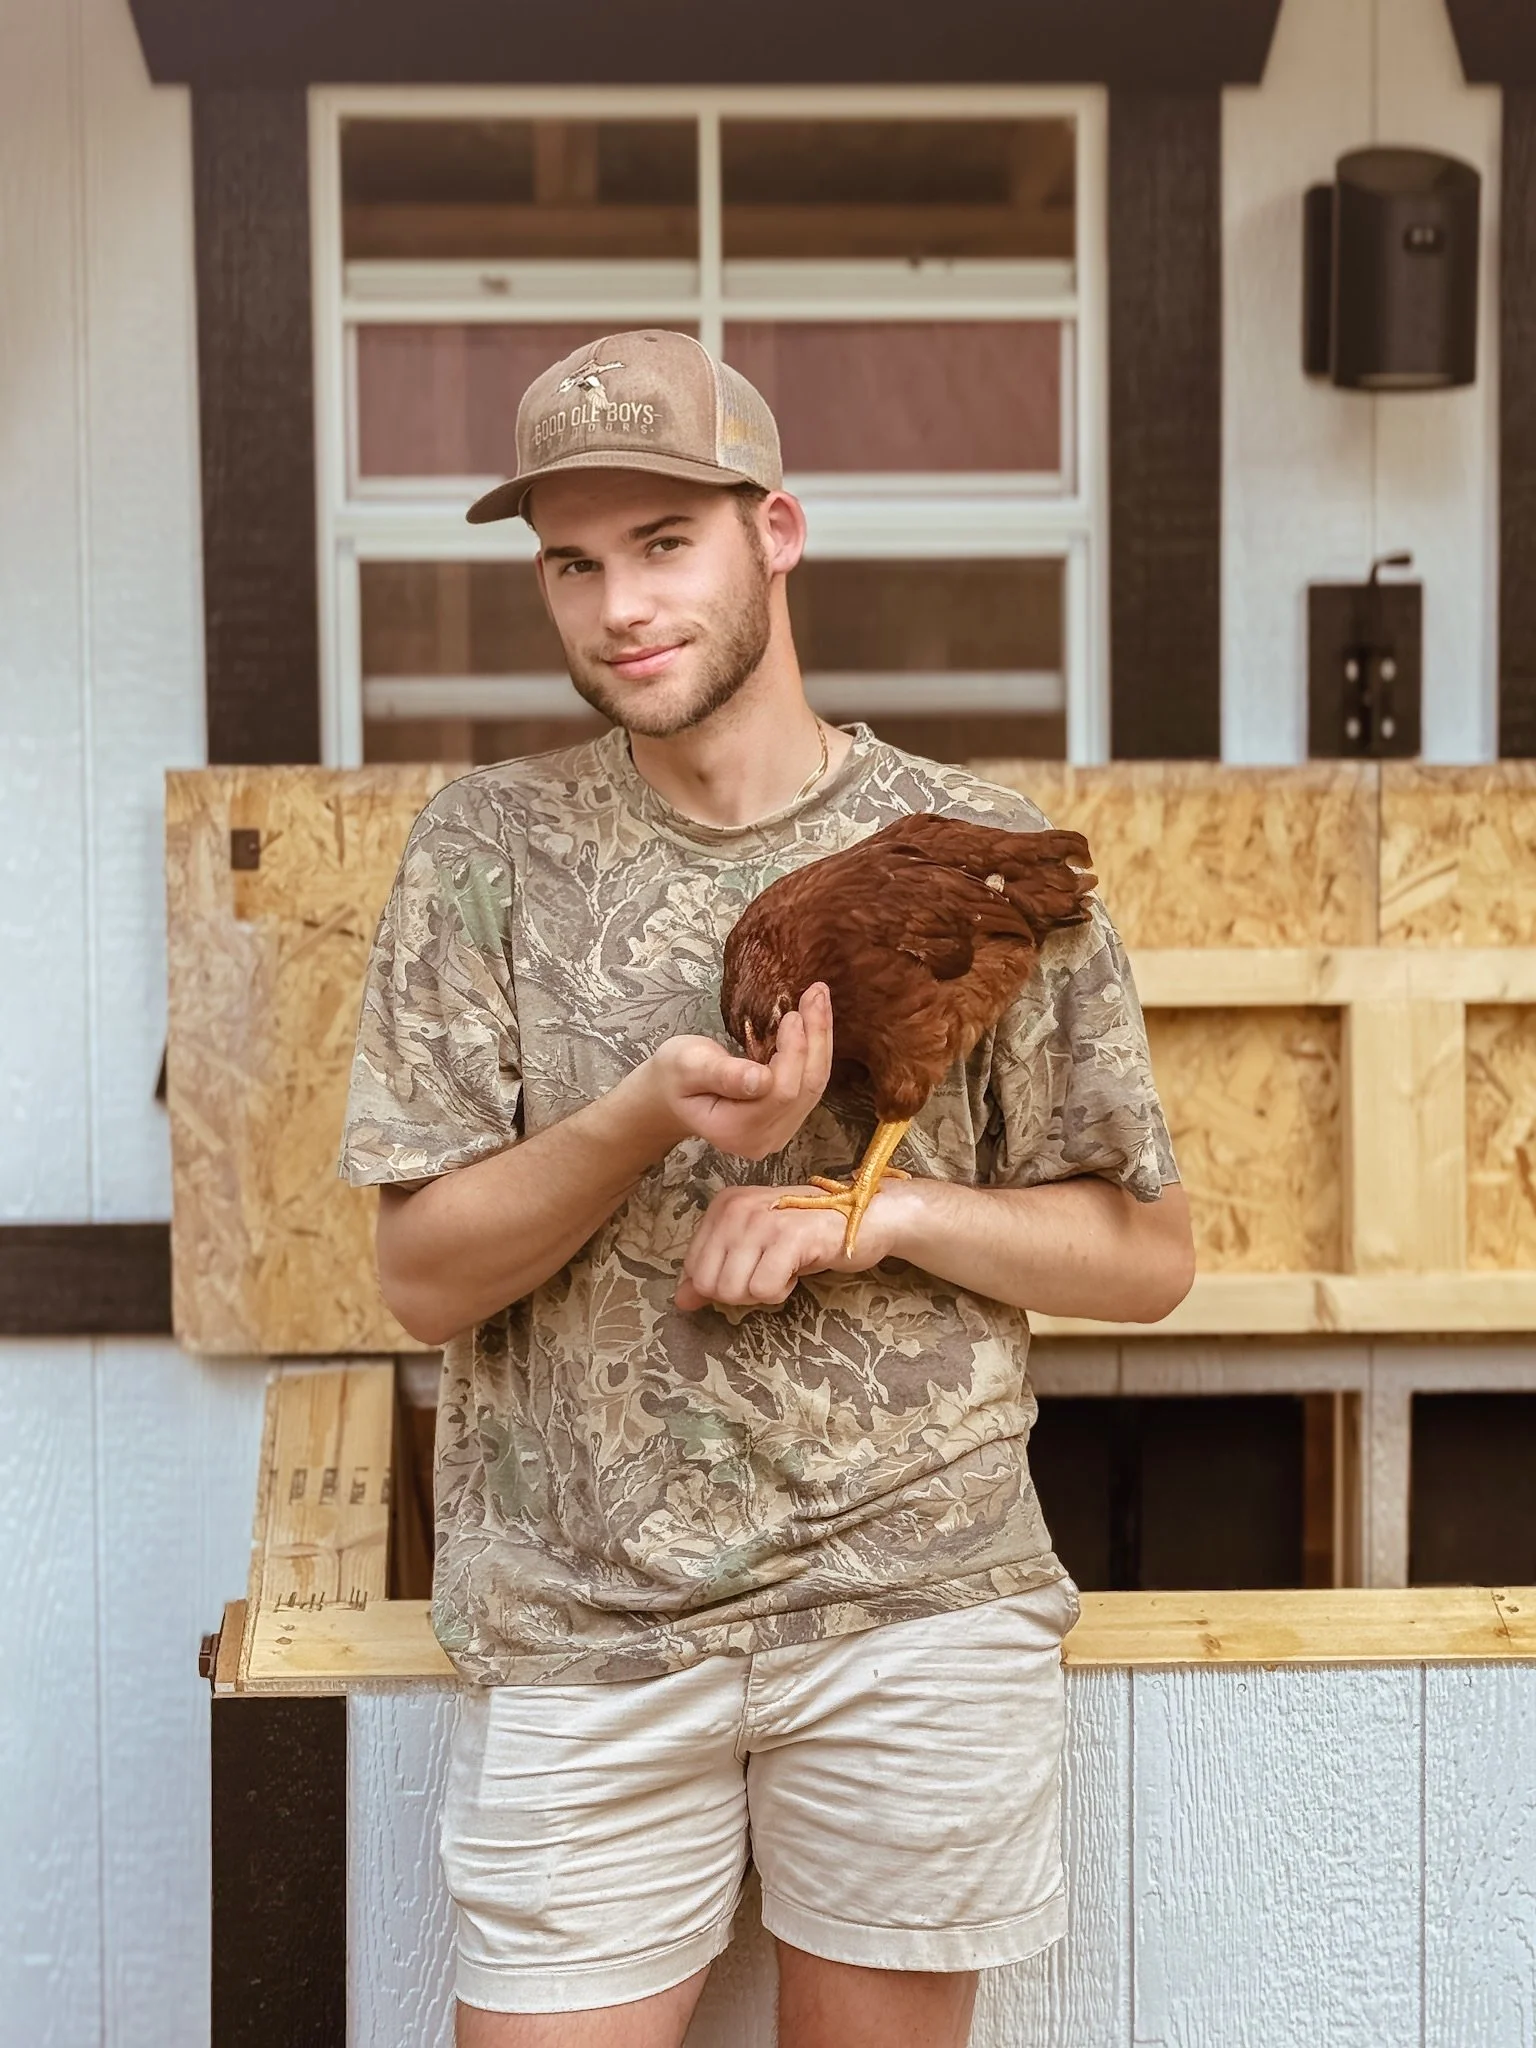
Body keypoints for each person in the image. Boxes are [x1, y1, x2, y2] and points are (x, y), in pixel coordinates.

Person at [338, 329, 1194, 2048]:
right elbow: (423, 1282)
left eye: (665, 545)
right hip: (587, 1629)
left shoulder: (971, 843)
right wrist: (644, 1117)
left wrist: (881, 1216)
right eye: (571, 564)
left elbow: (1147, 1255)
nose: (617, 607)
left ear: (776, 533)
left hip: (913, 1608)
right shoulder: (485, 853)